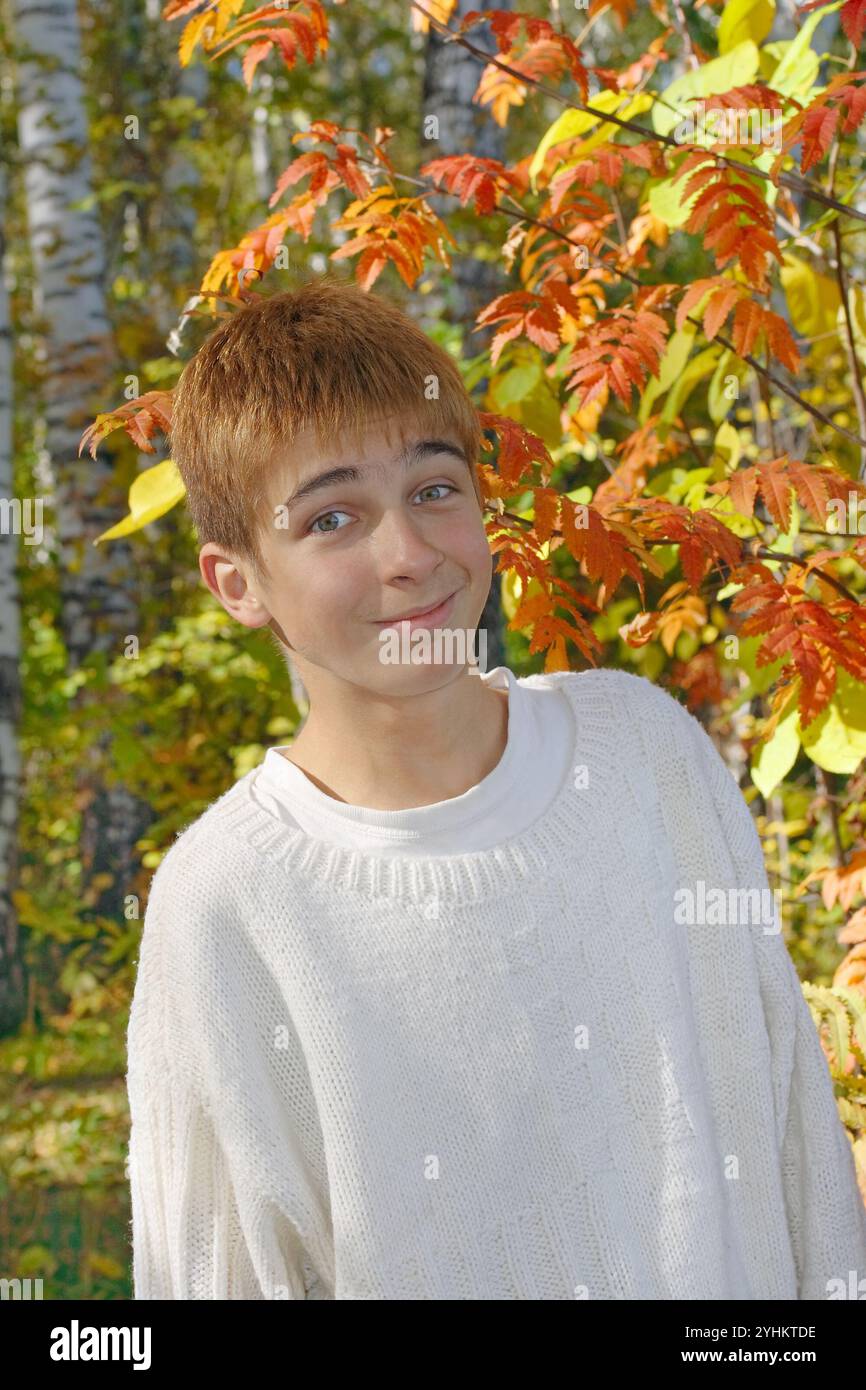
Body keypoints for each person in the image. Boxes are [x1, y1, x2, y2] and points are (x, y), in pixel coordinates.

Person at [126, 273, 866, 1300]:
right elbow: (216, 1274)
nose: (409, 555)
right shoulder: (226, 900)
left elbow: (791, 1137)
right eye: (332, 518)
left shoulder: (645, 757)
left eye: (433, 491)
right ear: (237, 582)